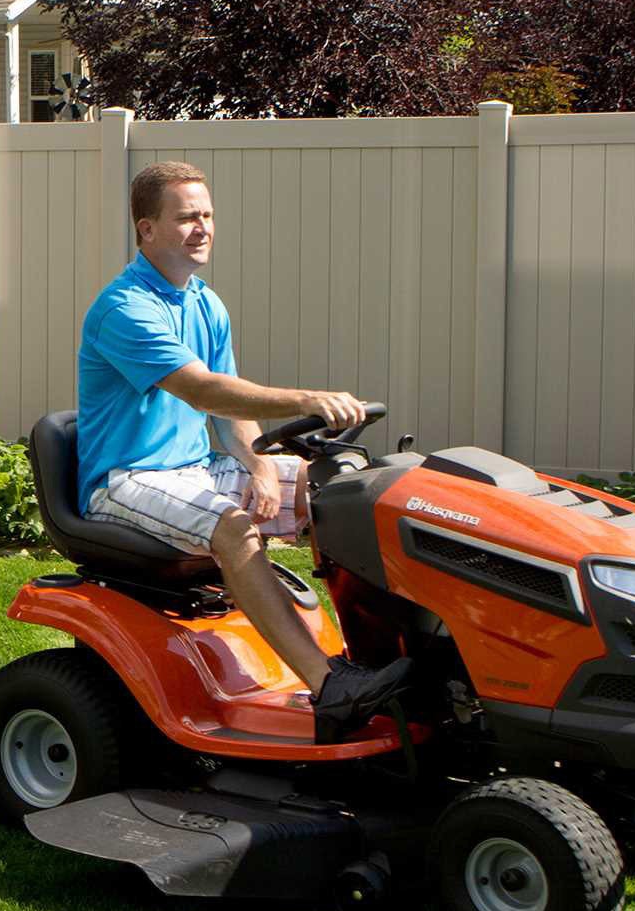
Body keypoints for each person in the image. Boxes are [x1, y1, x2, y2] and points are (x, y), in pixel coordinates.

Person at [77, 160, 410, 740]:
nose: (201, 227)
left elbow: (231, 414)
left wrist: (257, 464)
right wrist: (306, 397)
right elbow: (202, 388)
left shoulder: (207, 304)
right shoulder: (125, 309)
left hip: (197, 470)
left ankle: (387, 658)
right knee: (235, 528)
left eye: (206, 215)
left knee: (347, 489)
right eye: (185, 217)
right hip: (125, 480)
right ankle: (330, 685)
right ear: (146, 229)